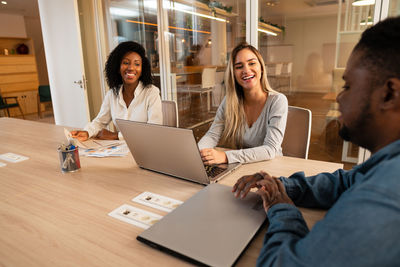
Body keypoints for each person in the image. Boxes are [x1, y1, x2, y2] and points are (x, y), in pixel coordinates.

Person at [232, 17, 400, 266]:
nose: (339, 98)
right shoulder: (386, 163)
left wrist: (281, 208)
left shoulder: (385, 197)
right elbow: (346, 181)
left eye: (348, 85)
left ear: (389, 94)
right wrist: (281, 186)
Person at [198, 42, 288, 165]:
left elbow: (270, 150)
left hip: (271, 169)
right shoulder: (230, 102)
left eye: (252, 63)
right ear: (233, 74)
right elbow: (212, 135)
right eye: (239, 66)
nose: (246, 70)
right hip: (243, 167)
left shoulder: (278, 101)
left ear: (261, 68)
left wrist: (225, 156)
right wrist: (198, 153)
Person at [71, 41, 162, 141]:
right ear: (118, 68)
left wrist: (116, 136)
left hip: (145, 148)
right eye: (126, 63)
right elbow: (100, 122)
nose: (131, 68)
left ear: (142, 70)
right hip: (119, 150)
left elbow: (154, 130)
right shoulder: (112, 94)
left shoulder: (151, 92)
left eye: (137, 64)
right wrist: (87, 132)